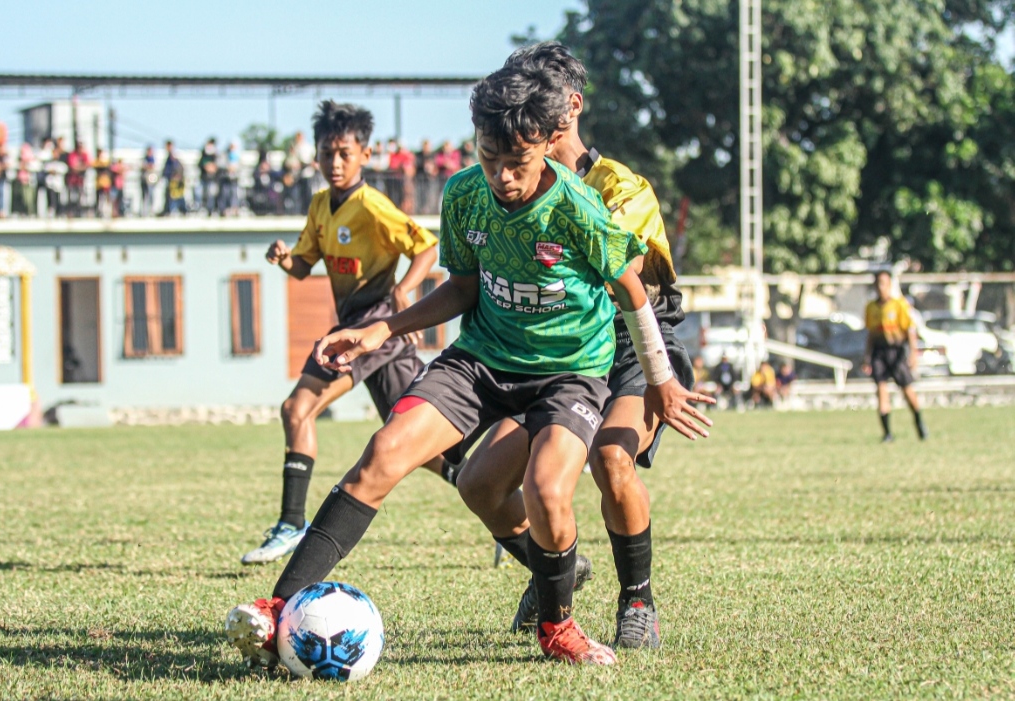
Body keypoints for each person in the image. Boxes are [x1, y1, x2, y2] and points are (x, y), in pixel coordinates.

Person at [225, 68, 706, 668]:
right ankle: (279, 609)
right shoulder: (463, 193)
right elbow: (463, 286)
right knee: (384, 453)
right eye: (489, 157)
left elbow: (634, 292)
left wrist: (661, 379)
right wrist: (384, 327)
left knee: (547, 489)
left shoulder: (580, 207)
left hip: (569, 373)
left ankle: (559, 628)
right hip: (480, 362)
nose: (502, 176)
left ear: (542, 146)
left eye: (518, 163)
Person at [454, 41, 709, 651]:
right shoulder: (508, 181)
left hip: (630, 350)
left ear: (569, 105)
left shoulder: (617, 187)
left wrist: (658, 378)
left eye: (539, 98)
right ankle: (561, 566)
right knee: (480, 485)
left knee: (611, 459)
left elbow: (625, 282)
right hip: (561, 355)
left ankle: (637, 602)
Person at [238, 100, 445, 568]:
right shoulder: (318, 206)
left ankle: (292, 523)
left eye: (344, 154)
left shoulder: (372, 206)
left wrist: (403, 292)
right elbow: (303, 267)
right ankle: (495, 492)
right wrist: (283, 258)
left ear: (365, 155)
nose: (335, 163)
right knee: (421, 447)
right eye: (327, 153)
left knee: (297, 408)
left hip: (367, 328)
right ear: (315, 155)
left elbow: (426, 247)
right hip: (367, 333)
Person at [863, 270, 927, 442]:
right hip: (879, 353)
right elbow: (871, 334)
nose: (880, 287)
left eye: (884, 283)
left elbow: (909, 331)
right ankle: (887, 434)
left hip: (896, 352)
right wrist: (867, 356)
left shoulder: (899, 305)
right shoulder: (871, 307)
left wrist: (913, 354)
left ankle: (920, 424)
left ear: (890, 285)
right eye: (878, 283)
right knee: (881, 391)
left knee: (907, 391)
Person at [65, 141, 91, 218]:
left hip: (81, 181)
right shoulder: (72, 155)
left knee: (81, 197)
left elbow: (87, 164)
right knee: (72, 197)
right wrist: (80, 167)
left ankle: (80, 212)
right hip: (72, 181)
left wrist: (79, 168)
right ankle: (71, 212)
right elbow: (72, 167)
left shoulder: (84, 155)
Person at [199, 138, 220, 216]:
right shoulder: (203, 154)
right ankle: (205, 209)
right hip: (205, 178)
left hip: (213, 179)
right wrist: (206, 166)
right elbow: (201, 164)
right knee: (204, 194)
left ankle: (212, 210)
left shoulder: (216, 154)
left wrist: (213, 168)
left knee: (212, 195)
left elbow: (218, 165)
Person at [140, 145, 158, 216]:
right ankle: (144, 211)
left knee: (151, 195)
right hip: (144, 179)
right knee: (144, 195)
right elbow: (144, 166)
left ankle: (151, 210)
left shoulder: (153, 159)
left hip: (150, 180)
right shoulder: (145, 159)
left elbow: (153, 167)